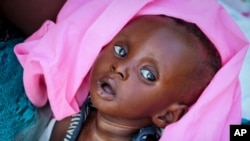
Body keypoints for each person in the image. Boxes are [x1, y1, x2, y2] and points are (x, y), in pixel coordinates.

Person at [1, 0, 249, 140]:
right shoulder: (66, 110)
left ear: (167, 115)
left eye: (147, 74)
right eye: (120, 51)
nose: (119, 68)